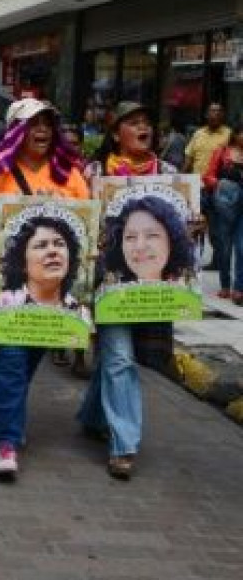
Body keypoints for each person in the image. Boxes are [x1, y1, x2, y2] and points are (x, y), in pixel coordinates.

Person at [0, 97, 89, 481]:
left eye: (47, 123)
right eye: (32, 123)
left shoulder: (69, 175)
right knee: (8, 353)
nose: (41, 130)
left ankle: (2, 415)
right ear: (15, 130)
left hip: (49, 289)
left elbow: (88, 223)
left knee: (29, 353)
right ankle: (6, 442)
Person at [81, 193, 195, 481]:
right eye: (130, 237)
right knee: (120, 358)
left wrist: (194, 227)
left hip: (155, 299)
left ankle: (93, 417)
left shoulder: (167, 176)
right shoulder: (97, 174)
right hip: (111, 292)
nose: (140, 245)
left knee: (112, 359)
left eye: (153, 235)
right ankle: (124, 446)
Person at [0, 214, 88, 318]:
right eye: (41, 245)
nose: (53, 251)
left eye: (59, 244)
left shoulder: (81, 312)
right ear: (22, 262)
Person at [185, 103, 231, 269]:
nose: (215, 115)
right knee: (194, 224)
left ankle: (217, 261)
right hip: (198, 187)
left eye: (218, 112)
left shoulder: (228, 134)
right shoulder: (198, 134)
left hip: (218, 188)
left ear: (223, 115)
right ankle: (192, 259)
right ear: (206, 115)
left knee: (216, 227)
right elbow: (189, 159)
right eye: (211, 111)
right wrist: (181, 178)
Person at [202, 123, 243, 300]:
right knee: (224, 248)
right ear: (237, 134)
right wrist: (219, 184)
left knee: (241, 247)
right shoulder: (222, 151)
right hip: (224, 207)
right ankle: (225, 285)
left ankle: (239, 288)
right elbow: (208, 176)